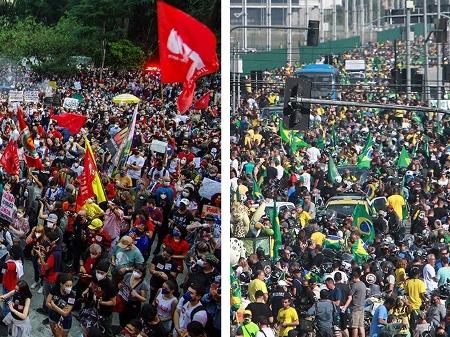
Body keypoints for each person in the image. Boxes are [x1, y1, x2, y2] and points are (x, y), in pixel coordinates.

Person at [46, 273, 76, 337]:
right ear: (61, 284)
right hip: (53, 316)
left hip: (65, 320)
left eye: (70, 285)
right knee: (54, 333)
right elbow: (47, 303)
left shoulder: (72, 295)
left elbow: (65, 314)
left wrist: (53, 305)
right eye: (67, 285)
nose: (69, 288)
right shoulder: (55, 288)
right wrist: (61, 311)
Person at [341, 269, 367, 337]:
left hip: (355, 308)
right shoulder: (363, 284)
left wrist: (344, 307)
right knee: (361, 326)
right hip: (362, 307)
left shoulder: (355, 285)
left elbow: (350, 297)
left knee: (354, 327)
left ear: (354, 277)